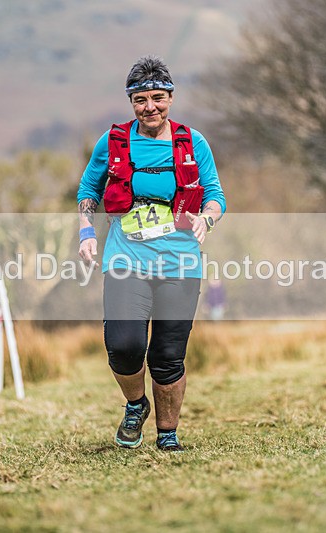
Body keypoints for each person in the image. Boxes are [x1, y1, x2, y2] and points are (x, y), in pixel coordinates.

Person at [76, 56, 226, 452]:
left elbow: (215, 195)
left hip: (180, 261)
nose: (150, 107)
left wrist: (207, 219)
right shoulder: (113, 143)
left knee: (168, 355)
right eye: (140, 100)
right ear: (131, 102)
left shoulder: (193, 143)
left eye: (158, 98)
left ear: (171, 98)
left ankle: (168, 434)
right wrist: (87, 232)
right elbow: (88, 190)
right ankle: (135, 404)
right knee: (123, 345)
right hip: (126, 258)